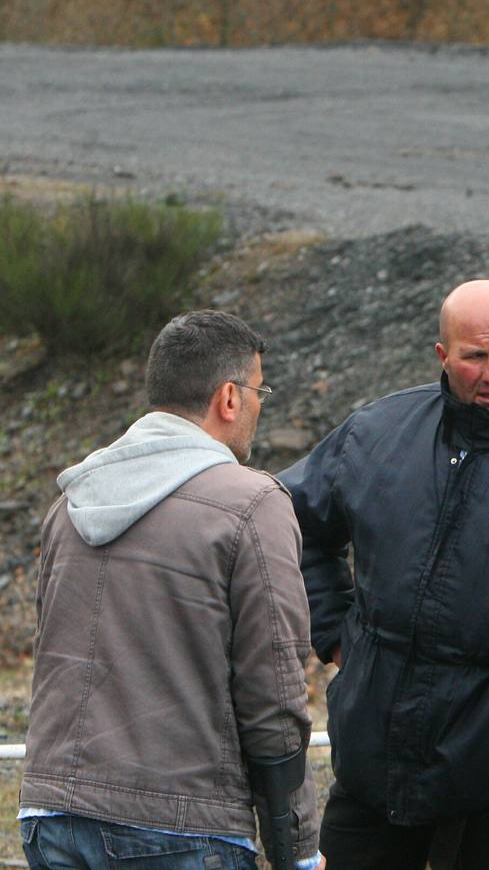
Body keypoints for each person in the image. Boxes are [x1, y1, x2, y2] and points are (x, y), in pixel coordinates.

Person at [279, 279, 489, 869]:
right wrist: (339, 637)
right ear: (443, 355)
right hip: (370, 763)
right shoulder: (377, 435)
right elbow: (292, 524)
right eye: (474, 357)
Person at [20, 310, 322, 870]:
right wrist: (296, 849)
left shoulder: (70, 502)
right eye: (260, 390)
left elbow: (56, 658)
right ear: (229, 398)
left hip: (51, 814)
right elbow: (274, 694)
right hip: (182, 827)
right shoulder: (252, 503)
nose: (259, 405)